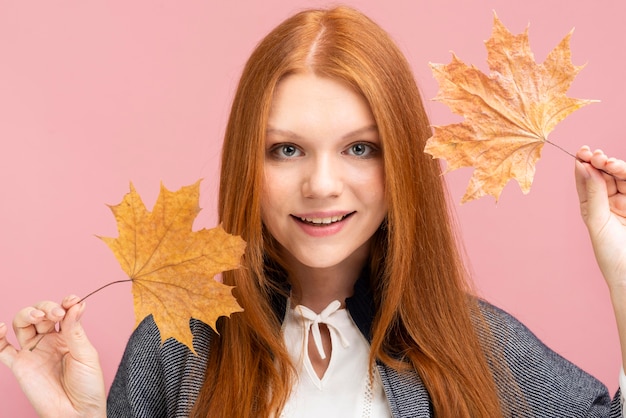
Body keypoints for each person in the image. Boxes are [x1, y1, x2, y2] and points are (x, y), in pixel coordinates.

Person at [1, 6, 625, 418]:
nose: (322, 184)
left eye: (360, 148)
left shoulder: (481, 346)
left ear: (404, 162)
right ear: (248, 162)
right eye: (286, 149)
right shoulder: (178, 349)